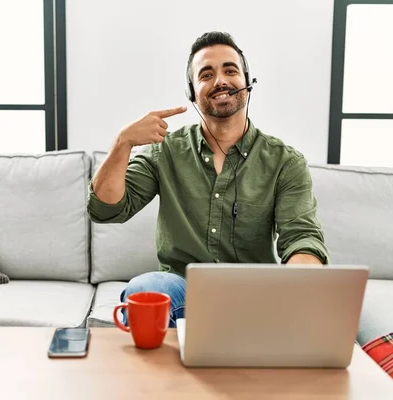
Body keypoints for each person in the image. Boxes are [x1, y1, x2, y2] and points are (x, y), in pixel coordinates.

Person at [87, 31, 329, 328]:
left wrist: (295, 287)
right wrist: (123, 142)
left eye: (230, 70)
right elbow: (106, 209)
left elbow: (301, 238)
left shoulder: (285, 162)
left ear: (247, 84)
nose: (220, 81)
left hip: (255, 295)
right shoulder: (165, 150)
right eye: (206, 74)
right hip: (182, 291)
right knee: (145, 291)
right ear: (192, 93)